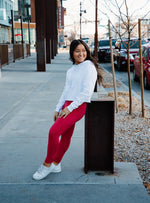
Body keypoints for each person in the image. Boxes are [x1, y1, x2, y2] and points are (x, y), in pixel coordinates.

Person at [32, 39, 103, 180]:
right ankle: (56, 163)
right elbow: (66, 90)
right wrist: (58, 108)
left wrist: (69, 108)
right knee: (65, 136)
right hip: (67, 106)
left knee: (53, 132)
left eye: (83, 50)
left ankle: (47, 165)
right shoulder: (71, 70)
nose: (81, 53)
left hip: (77, 106)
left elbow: (86, 93)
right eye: (77, 51)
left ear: (87, 52)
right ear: (72, 53)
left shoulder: (89, 66)